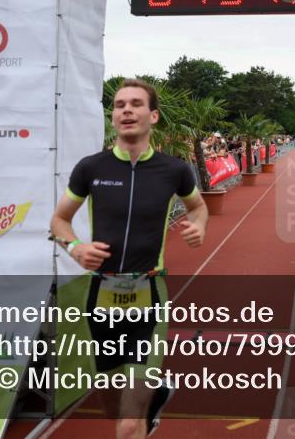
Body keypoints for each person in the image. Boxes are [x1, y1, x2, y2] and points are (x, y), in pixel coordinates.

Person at [50, 78, 208, 439]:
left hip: (148, 296)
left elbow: (198, 208)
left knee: (128, 423)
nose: (126, 110)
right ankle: (157, 397)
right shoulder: (91, 168)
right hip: (100, 297)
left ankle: (142, 410)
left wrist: (199, 226)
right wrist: (75, 248)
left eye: (136, 104)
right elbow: (59, 220)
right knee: (112, 404)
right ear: (113, 116)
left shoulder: (174, 170)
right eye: (119, 105)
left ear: (153, 116)